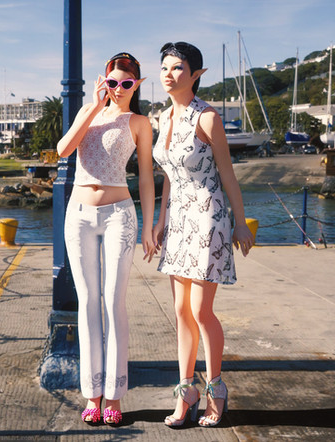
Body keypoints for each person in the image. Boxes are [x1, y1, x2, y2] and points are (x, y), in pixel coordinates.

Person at [152, 42, 254, 428]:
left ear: (196, 74)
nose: (169, 74)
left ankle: (215, 388)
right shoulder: (163, 116)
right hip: (178, 221)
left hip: (208, 217)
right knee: (180, 311)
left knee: (200, 310)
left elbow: (228, 174)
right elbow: (168, 175)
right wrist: (160, 220)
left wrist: (240, 223)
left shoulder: (207, 117)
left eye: (178, 67)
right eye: (165, 67)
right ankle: (186, 392)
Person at [57, 52, 156, 426]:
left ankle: (114, 394)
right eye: (113, 82)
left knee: (114, 303)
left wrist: (148, 226)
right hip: (79, 215)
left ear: (137, 85)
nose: (119, 88)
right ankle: (91, 394)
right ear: (104, 81)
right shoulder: (89, 112)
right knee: (87, 303)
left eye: (126, 83)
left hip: (120, 215)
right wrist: (93, 107)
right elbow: (63, 150)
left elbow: (145, 177)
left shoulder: (140, 123)